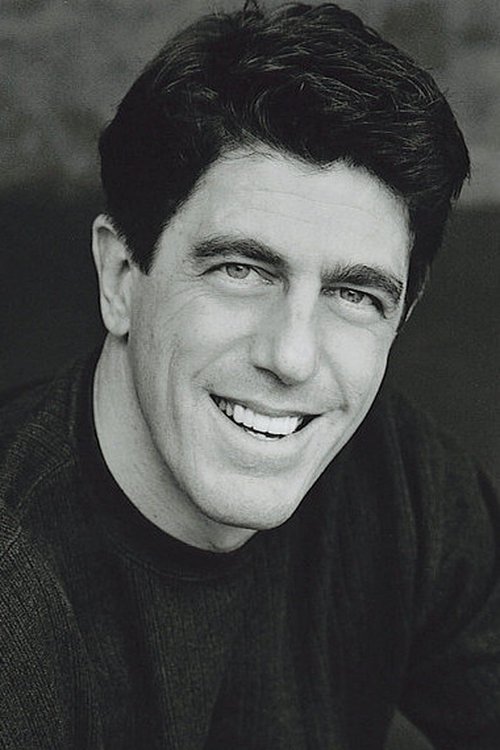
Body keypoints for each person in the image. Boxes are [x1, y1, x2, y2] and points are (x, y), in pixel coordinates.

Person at [0, 2, 498, 748]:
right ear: (121, 277)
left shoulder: (402, 484)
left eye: (354, 295)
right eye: (240, 269)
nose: (292, 358)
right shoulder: (17, 593)